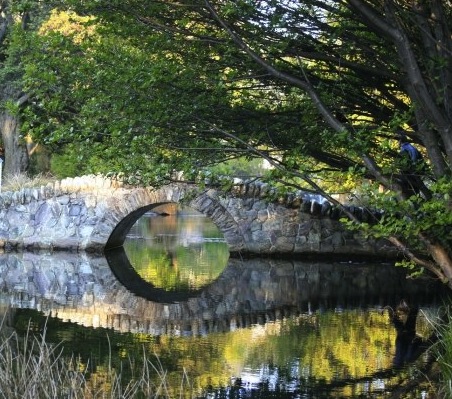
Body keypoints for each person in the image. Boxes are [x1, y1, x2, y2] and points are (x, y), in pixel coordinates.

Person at [398, 135, 430, 199]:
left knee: (412, 187)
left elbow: (413, 153)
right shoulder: (407, 147)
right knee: (413, 187)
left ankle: (416, 199)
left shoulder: (407, 147)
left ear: (400, 141)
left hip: (411, 171)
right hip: (411, 171)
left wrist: (413, 163)